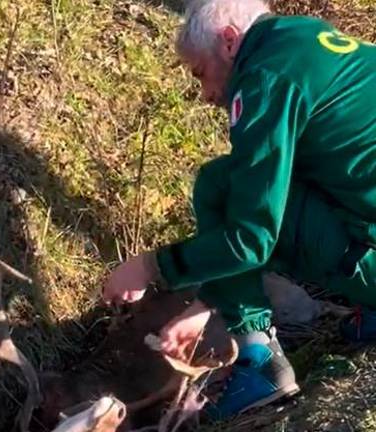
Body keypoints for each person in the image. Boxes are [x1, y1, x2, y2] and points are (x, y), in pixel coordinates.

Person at [102, 0, 376, 420]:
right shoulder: (302, 37)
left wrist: (150, 267)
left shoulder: (265, 79)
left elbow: (250, 237)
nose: (209, 95)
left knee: (221, 186)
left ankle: (260, 362)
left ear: (229, 41)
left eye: (201, 73)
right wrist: (208, 303)